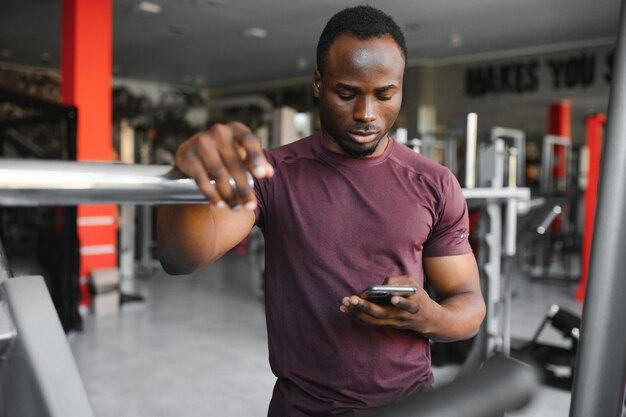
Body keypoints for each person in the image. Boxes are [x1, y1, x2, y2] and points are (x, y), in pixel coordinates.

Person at [157, 5, 485, 416]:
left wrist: (425, 316)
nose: (366, 114)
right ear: (318, 82)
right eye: (347, 93)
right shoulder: (270, 174)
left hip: (410, 406)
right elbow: (179, 258)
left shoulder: (434, 183)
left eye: (384, 94)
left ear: (400, 87)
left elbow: (468, 304)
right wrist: (186, 176)